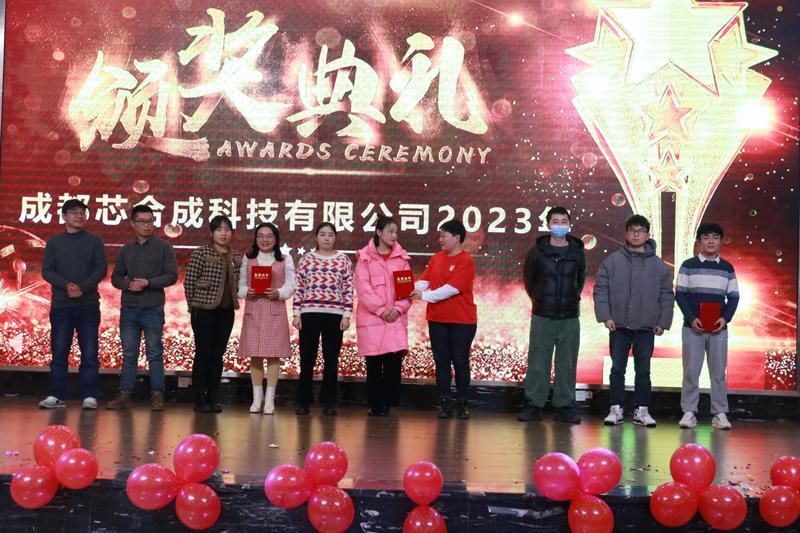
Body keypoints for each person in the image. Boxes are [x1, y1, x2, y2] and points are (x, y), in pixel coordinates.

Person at [593, 214, 673, 427]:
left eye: (641, 231)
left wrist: (663, 321)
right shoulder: (612, 261)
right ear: (626, 233)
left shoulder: (659, 266)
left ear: (648, 235)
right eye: (632, 230)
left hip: (646, 327)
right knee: (617, 369)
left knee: (643, 371)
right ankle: (616, 408)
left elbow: (667, 294)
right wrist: (605, 316)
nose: (636, 234)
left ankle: (641, 409)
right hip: (619, 325)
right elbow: (600, 290)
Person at [107, 205, 178, 411]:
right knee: (129, 354)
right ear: (133, 224)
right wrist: (128, 284)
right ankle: (125, 394)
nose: (147, 225)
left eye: (150, 221)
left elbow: (171, 275)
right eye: (142, 221)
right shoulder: (126, 250)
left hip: (153, 307)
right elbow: (116, 278)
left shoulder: (164, 247)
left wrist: (149, 282)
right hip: (129, 309)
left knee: (154, 353)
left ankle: (157, 394)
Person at [519, 207, 586, 424]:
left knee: (567, 363)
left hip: (569, 316)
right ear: (548, 225)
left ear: (569, 224)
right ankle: (534, 405)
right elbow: (529, 281)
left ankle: (564, 406)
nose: (559, 225)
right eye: (555, 221)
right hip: (543, 314)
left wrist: (570, 298)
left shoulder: (577, 252)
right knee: (538, 361)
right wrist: (539, 299)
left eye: (563, 221)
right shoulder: (536, 252)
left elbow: (580, 280)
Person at [39, 198, 107, 410]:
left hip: (88, 304)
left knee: (90, 352)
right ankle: (57, 395)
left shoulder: (94, 240)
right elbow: (47, 271)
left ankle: (89, 395)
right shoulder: (54, 242)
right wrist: (67, 285)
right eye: (75, 212)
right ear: (64, 216)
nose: (80, 216)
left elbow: (101, 269)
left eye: (82, 213)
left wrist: (82, 287)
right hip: (61, 305)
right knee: (59, 351)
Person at [411, 219, 477, 419]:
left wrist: (423, 296)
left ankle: (462, 404)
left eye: (443, 236)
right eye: (440, 236)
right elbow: (423, 282)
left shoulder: (465, 261)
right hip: (437, 319)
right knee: (441, 362)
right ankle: (445, 403)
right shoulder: (436, 258)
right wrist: (406, 289)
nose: (440, 240)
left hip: (461, 321)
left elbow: (451, 289)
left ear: (457, 238)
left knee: (460, 360)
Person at [676, 223, 739, 430]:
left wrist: (725, 319)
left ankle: (719, 413)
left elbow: (734, 297)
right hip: (692, 328)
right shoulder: (688, 265)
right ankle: (689, 412)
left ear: (721, 241)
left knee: (718, 372)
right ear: (699, 241)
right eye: (706, 237)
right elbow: (680, 294)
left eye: (715, 237)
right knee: (691, 372)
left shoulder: (727, 268)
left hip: (719, 329)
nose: (711, 241)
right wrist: (692, 318)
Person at [292, 222, 353, 416]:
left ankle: (329, 402)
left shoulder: (343, 260)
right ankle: (304, 401)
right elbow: (299, 287)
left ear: (335, 238)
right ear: (316, 238)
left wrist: (347, 315)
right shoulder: (307, 259)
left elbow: (348, 290)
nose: (327, 238)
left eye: (330, 234)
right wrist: (296, 313)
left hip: (335, 315)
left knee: (331, 360)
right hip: (309, 313)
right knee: (307, 359)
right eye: (323, 234)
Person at [354, 216, 412, 416]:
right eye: (390, 231)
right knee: (373, 366)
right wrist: (380, 310)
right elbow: (363, 288)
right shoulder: (365, 258)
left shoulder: (402, 260)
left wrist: (397, 309)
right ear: (378, 232)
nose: (394, 235)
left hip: (394, 320)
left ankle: (388, 403)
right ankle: (375, 404)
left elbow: (407, 291)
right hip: (372, 320)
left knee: (393, 366)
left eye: (396, 232)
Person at [184, 216, 240, 413]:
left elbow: (239, 281)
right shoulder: (201, 252)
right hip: (203, 311)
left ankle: (213, 397)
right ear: (211, 233)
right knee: (203, 355)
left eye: (227, 229)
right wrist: (193, 306)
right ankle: (200, 398)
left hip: (226, 312)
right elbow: (189, 282)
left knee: (218, 356)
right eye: (219, 229)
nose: (223, 233)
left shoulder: (235, 255)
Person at [237, 223, 295, 414]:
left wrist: (279, 292)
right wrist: (247, 291)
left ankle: (270, 400)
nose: (264, 239)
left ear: (276, 239)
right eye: (260, 236)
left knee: (273, 355)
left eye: (269, 236)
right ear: (256, 239)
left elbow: (291, 285)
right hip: (254, 310)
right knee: (254, 354)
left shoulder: (285, 259)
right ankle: (257, 398)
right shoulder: (248, 258)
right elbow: (240, 285)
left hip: (275, 309)